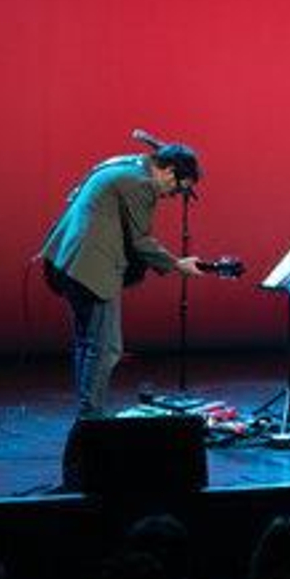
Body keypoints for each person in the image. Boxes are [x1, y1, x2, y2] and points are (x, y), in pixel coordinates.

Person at [39, 143, 209, 420]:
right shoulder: (141, 184)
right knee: (105, 347)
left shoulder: (126, 165)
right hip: (90, 268)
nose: (172, 196)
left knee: (88, 343)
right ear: (168, 171)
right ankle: (92, 417)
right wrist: (177, 264)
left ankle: (88, 412)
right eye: (178, 189)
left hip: (67, 260)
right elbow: (140, 241)